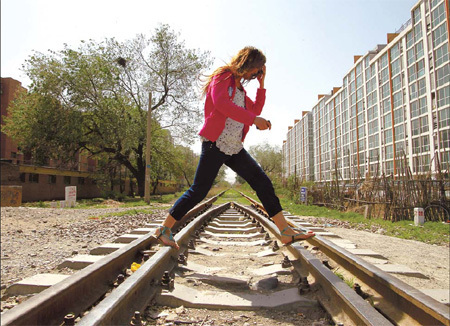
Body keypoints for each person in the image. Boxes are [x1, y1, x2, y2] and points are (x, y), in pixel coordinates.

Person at [153, 46, 315, 249]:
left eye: (258, 73)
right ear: (247, 63)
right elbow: (222, 104)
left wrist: (262, 85)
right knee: (199, 190)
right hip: (215, 142)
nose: (255, 74)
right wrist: (254, 119)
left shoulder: (240, 88)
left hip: (234, 147)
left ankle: (285, 231)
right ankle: (164, 229)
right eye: (255, 70)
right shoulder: (222, 76)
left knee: (262, 182)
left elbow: (254, 109)